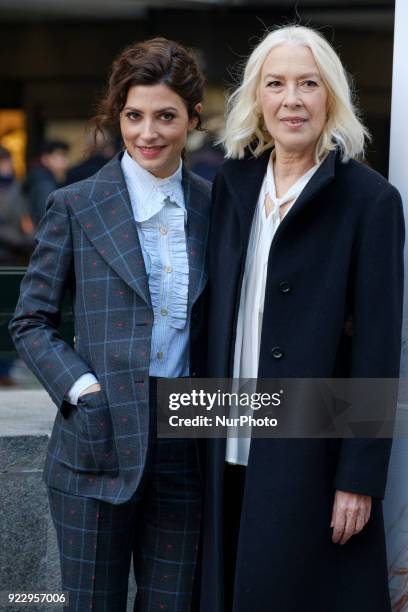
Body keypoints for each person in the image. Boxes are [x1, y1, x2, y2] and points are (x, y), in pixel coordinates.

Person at [200, 25, 404, 612]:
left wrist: (359, 477)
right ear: (257, 101)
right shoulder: (230, 187)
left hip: (310, 462)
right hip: (222, 446)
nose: (292, 99)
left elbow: (377, 347)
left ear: (331, 98)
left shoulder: (370, 202)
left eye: (308, 84)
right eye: (277, 84)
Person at [9, 37, 210, 612]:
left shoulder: (217, 207)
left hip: (186, 442)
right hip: (94, 445)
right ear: (117, 116)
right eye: (134, 115)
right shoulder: (76, 205)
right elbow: (30, 320)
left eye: (166, 116)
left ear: (193, 119)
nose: (148, 132)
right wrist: (84, 391)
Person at [25, 139, 70, 226]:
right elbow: (48, 218)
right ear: (45, 159)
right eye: (60, 155)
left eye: (65, 156)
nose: (65, 160)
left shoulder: (46, 179)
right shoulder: (44, 183)